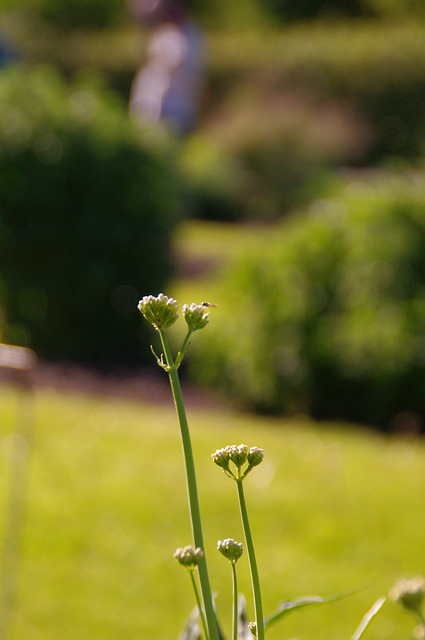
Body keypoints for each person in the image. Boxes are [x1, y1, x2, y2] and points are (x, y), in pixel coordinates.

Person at [128, 0, 205, 136]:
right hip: (160, 109)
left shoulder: (181, 36)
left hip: (168, 111)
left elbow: (174, 63)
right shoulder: (176, 33)